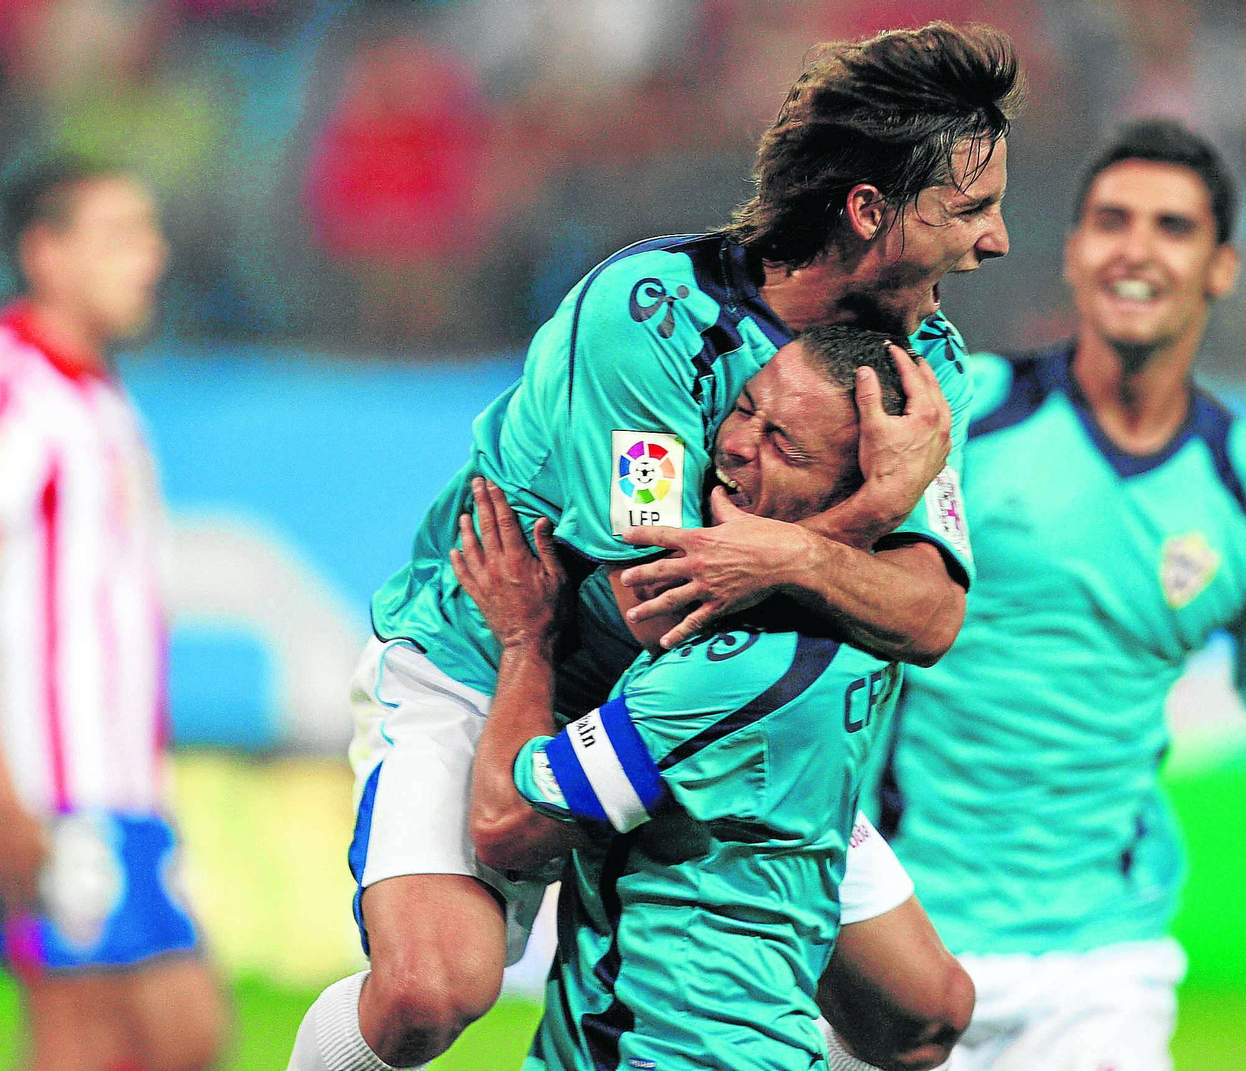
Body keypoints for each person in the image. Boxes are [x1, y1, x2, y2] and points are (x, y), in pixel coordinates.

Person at [288, 20, 1021, 1071]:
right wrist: (861, 521)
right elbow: (656, 603)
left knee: (922, 1014)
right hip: (501, 650)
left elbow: (930, 614)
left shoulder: (921, 366)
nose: (996, 242)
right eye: (972, 209)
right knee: (424, 995)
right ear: (869, 212)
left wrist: (798, 555)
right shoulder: (649, 318)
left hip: (705, 705)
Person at [879, 118, 1246, 1071]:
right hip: (897, 934)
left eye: (1172, 227)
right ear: (1074, 253)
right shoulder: (957, 414)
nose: (1136, 249)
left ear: (1221, 268)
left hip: (1102, 966)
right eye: (1113, 221)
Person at [459, 327, 920, 1071]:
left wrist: (525, 640)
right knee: (929, 1010)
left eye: (784, 446)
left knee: (426, 986)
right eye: (745, 408)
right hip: (766, 1039)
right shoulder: (874, 621)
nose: (735, 445)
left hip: (655, 1053)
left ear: (851, 485)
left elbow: (508, 827)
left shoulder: (726, 674)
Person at [0, 157, 227, 1071]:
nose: (151, 258)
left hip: (120, 783)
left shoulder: (97, 396)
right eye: (120, 237)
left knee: (181, 1035)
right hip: (45, 783)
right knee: (88, 1037)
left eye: (148, 234)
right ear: (46, 253)